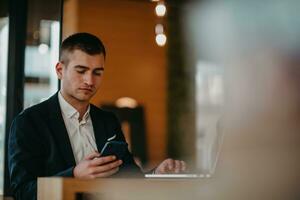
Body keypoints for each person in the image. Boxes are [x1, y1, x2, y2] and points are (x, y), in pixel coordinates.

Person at [8, 32, 186, 200]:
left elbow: (130, 177)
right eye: (81, 71)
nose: (90, 81)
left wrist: (156, 174)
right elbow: (22, 191)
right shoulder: (29, 122)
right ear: (60, 70)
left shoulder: (108, 121)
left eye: (97, 72)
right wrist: (74, 175)